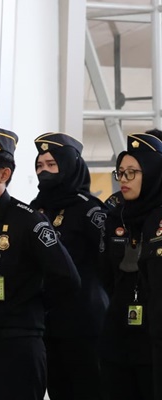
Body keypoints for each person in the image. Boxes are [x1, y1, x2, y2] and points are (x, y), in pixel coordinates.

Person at [0, 121, 81, 400]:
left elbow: (67, 279)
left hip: (16, 349)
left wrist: (29, 307)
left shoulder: (28, 220)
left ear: (4, 173)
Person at [29, 132, 108, 400]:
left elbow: (108, 263)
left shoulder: (89, 211)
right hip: (47, 322)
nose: (44, 172)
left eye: (52, 165)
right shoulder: (34, 210)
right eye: (40, 166)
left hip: (84, 321)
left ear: (70, 165)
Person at [100, 132, 162, 400]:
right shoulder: (116, 216)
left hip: (155, 339)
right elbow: (105, 274)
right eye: (120, 173)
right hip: (119, 336)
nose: (123, 180)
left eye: (132, 173)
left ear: (152, 174)